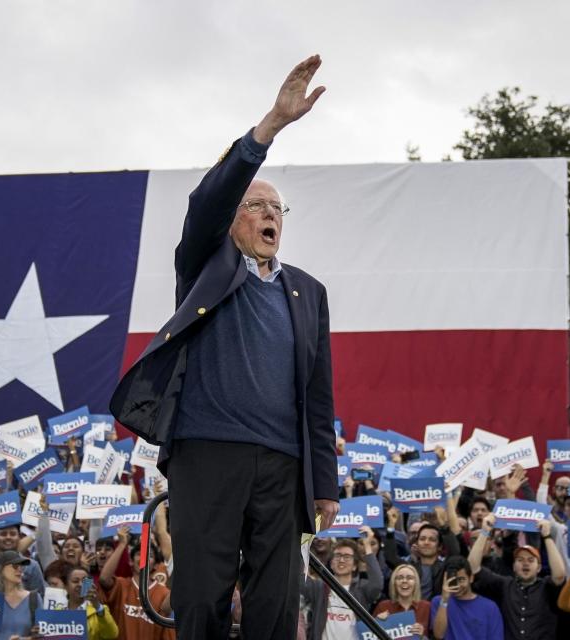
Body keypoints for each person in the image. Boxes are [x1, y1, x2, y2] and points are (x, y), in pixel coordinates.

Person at [110, 54, 338, 639]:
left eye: (277, 208)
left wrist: (326, 485)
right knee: (202, 600)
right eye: (256, 206)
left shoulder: (308, 293)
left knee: (276, 608)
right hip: (209, 454)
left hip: (284, 469)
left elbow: (318, 397)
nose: (270, 215)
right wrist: (270, 126)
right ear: (234, 222)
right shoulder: (206, 268)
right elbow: (206, 203)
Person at [467, 515, 566, 640]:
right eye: (520, 560)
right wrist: (484, 531)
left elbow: (560, 575)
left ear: (539, 568)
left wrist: (547, 536)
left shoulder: (546, 586)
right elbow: (472, 568)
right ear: (513, 567)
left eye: (531, 560)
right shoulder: (504, 585)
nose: (525, 563)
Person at [302, 529, 382, 639]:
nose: (342, 560)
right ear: (331, 563)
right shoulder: (319, 587)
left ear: (355, 566)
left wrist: (367, 544)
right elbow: (298, 579)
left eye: (347, 557)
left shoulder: (361, 589)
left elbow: (377, 584)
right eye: (338, 555)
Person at [98, 526, 174, 640]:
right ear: (131, 561)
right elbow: (103, 579)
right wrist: (122, 544)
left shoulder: (164, 593)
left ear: (156, 565)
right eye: (139, 553)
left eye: (151, 555)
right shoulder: (121, 585)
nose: (144, 558)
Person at [430, 556, 503, 640]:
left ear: (471, 578)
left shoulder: (490, 607)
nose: (457, 585)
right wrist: (444, 599)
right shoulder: (439, 602)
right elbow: (438, 635)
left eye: (461, 579)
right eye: (452, 580)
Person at [372, 564, 429, 637]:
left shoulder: (426, 607)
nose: (404, 581)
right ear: (394, 583)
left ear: (416, 583)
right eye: (400, 578)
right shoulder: (383, 606)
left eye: (410, 578)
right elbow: (370, 636)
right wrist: (377, 623)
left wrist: (422, 637)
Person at [66, 567, 119, 640]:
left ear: (90, 584)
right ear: (66, 586)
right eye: (75, 581)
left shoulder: (99, 610)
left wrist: (97, 606)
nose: (80, 585)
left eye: (84, 581)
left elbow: (112, 634)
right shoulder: (57, 611)